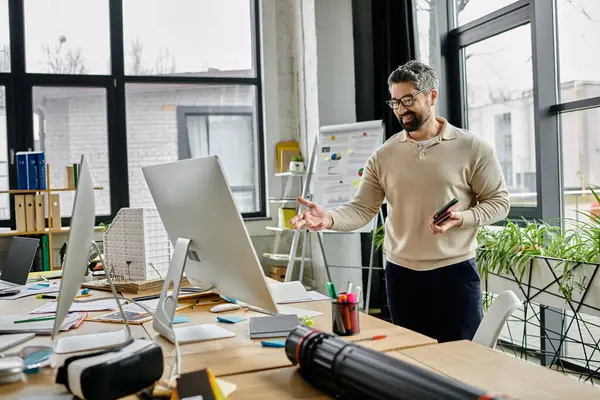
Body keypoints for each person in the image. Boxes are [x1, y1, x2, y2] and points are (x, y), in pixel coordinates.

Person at [289, 60, 510, 342]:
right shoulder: (384, 155)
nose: (401, 109)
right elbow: (362, 208)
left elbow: (499, 202)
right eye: (395, 102)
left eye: (408, 99)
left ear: (432, 96)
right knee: (411, 358)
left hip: (454, 273)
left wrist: (462, 219)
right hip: (401, 275)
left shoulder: (472, 147)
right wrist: (328, 218)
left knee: (461, 359)